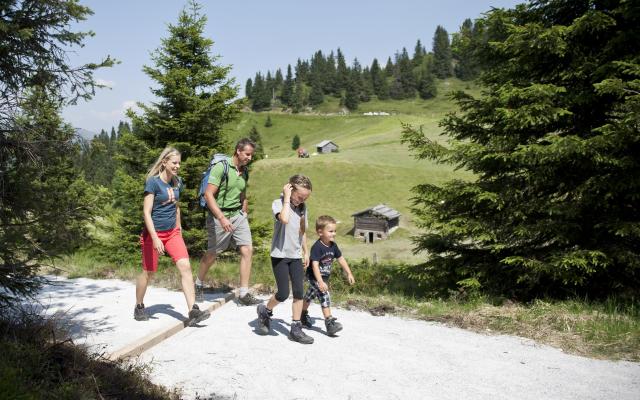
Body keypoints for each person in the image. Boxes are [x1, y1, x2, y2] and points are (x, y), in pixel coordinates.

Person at [135, 147, 210, 326]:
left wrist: (179, 228)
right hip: (153, 234)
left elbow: (175, 206)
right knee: (149, 272)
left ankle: (193, 310)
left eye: (179, 163)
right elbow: (146, 213)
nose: (177, 166)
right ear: (164, 163)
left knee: (185, 266)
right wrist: (155, 238)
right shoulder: (153, 183)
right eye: (174, 163)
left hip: (172, 233)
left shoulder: (178, 182)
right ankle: (139, 305)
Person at [196, 138, 261, 306]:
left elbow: (242, 193)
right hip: (219, 215)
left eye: (251, 155)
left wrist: (243, 212)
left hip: (237, 215)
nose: (249, 158)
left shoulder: (244, 170)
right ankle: (198, 284)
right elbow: (208, 195)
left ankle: (244, 293)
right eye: (247, 154)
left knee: (247, 250)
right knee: (212, 253)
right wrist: (221, 218)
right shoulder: (221, 167)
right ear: (238, 151)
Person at [256, 175, 314, 344]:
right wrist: (287, 198)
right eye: (300, 196)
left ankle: (296, 329)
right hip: (280, 255)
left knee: (298, 292)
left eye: (305, 198)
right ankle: (265, 310)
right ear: (290, 189)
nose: (302, 200)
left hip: (295, 255)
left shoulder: (303, 208)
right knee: (282, 293)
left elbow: (302, 231)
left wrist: (305, 251)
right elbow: (285, 219)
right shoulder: (279, 203)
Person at [301, 215, 355, 336]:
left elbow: (341, 259)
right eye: (330, 231)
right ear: (320, 232)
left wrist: (349, 273)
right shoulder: (317, 247)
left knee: (310, 295)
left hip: (323, 278)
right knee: (324, 295)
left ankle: (302, 314)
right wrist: (320, 281)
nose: (334, 234)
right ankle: (329, 323)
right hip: (315, 277)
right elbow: (314, 265)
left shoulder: (333, 245)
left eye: (335, 231)